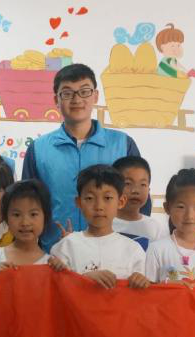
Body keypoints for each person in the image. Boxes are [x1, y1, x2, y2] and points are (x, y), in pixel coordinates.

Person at [21, 63, 151, 250]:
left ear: (95, 96)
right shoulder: (38, 149)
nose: (77, 99)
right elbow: (27, 204)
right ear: (56, 100)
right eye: (67, 93)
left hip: (112, 254)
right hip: (55, 252)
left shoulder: (123, 144)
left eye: (84, 91)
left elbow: (139, 202)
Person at [50, 164, 150, 289]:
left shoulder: (133, 250)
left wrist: (142, 282)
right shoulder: (66, 246)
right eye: (90, 198)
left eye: (107, 198)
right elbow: (56, 289)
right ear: (79, 202)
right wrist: (85, 279)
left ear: (121, 202)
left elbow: (142, 294)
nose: (99, 206)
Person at [0, 179, 53, 276]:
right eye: (17, 215)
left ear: (45, 217)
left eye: (33, 214)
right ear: (6, 218)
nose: (25, 223)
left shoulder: (50, 264)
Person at [112, 155, 163, 251]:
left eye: (143, 184)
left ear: (149, 190)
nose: (135, 190)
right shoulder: (104, 223)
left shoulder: (155, 228)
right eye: (128, 183)